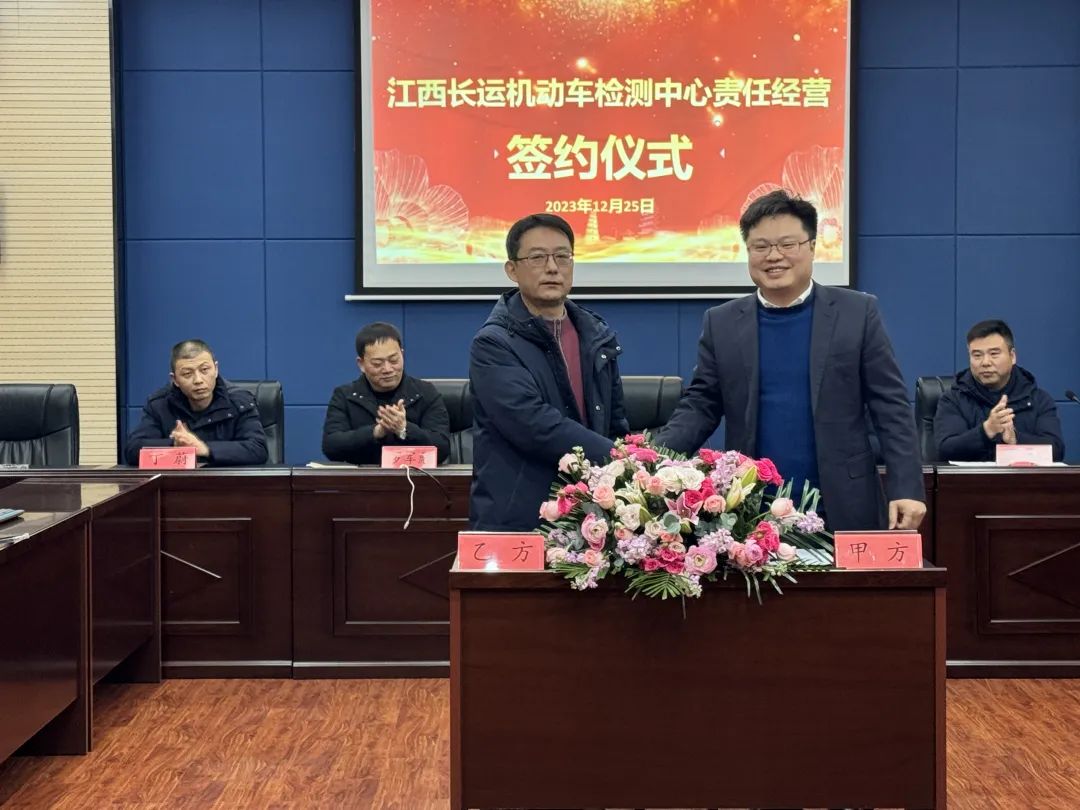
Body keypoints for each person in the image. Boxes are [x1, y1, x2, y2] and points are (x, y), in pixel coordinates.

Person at [654, 189, 925, 532]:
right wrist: (650, 458)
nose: (774, 256)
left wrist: (906, 487)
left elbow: (891, 406)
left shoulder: (856, 313)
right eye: (761, 246)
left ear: (811, 246)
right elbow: (701, 405)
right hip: (752, 511)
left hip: (844, 502)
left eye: (787, 244)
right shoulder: (722, 322)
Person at [469, 213, 628, 531]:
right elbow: (535, 425)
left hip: (590, 517)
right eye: (538, 257)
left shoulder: (596, 335)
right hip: (522, 518)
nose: (552, 267)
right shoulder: (493, 343)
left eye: (562, 256)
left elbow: (615, 421)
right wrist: (619, 458)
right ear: (512, 270)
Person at [934, 319, 1064, 461]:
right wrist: (986, 431)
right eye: (977, 355)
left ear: (1012, 356)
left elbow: (1056, 451)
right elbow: (945, 450)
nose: (985, 362)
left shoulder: (1038, 400)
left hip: (1020, 476)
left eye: (994, 354)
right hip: (973, 477)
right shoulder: (953, 400)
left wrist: (1016, 439)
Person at [321, 322, 451, 465]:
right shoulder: (345, 396)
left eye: (394, 360)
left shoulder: (425, 393)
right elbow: (331, 446)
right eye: (377, 364)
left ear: (402, 355)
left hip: (414, 476)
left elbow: (442, 447)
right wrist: (375, 432)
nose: (388, 369)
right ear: (361, 364)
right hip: (364, 477)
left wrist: (404, 429)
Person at [125, 339, 268, 466]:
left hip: (228, 483)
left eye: (204, 370)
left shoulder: (240, 401)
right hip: (179, 484)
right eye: (187, 374)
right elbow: (133, 450)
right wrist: (176, 444)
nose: (198, 380)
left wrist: (204, 448)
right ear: (175, 380)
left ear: (216, 369)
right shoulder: (160, 404)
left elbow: (258, 449)